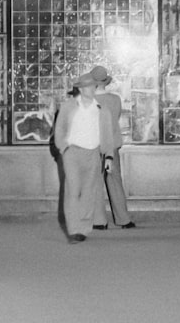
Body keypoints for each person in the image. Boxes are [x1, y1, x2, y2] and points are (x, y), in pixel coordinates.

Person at [53, 70, 116, 243]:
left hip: (93, 154)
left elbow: (107, 136)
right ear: (81, 89)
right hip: (72, 153)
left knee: (89, 192)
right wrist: (63, 148)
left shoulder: (102, 110)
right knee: (73, 190)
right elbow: (59, 130)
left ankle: (84, 228)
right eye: (88, 86)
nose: (92, 89)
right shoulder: (68, 107)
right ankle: (74, 229)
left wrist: (108, 156)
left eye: (94, 86)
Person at [89, 65, 135, 231]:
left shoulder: (88, 101)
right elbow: (114, 119)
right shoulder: (115, 99)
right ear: (105, 82)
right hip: (112, 145)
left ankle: (99, 221)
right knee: (115, 181)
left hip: (93, 146)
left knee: (95, 183)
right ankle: (123, 219)